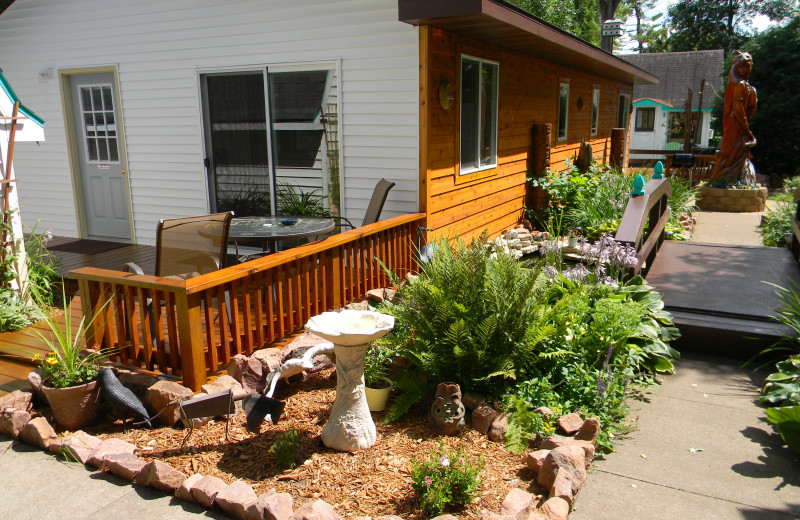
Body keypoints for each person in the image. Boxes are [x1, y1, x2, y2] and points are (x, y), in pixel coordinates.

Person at [710, 51, 758, 185]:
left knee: (734, 154)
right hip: (735, 125)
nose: (743, 69)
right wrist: (748, 132)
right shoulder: (739, 84)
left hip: (735, 124)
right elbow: (738, 110)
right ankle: (726, 181)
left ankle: (727, 180)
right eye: (740, 66)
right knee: (733, 154)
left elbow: (748, 109)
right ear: (735, 66)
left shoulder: (744, 85)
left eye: (746, 66)